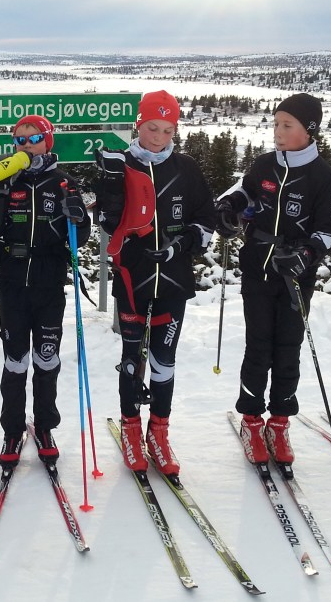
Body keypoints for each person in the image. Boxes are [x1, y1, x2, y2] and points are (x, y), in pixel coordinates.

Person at [215, 93, 331, 468]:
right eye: (276, 124)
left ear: (309, 130)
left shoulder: (323, 176)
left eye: (287, 125)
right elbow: (244, 190)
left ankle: (280, 422)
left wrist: (306, 255)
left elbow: (330, 230)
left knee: (288, 348)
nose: (278, 132)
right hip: (258, 267)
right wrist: (230, 206)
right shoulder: (265, 164)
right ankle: (252, 420)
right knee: (258, 346)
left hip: (295, 276)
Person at [94, 91, 216, 474]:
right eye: (152, 128)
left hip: (174, 281)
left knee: (164, 361)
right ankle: (131, 428)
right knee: (132, 359)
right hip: (134, 277)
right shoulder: (121, 164)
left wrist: (182, 244)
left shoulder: (186, 168)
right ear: (138, 125)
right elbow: (105, 222)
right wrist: (110, 189)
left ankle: (159, 433)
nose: (159, 137)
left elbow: (205, 220)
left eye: (167, 130)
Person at [0, 115, 92, 469]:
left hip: (49, 284)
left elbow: (81, 236)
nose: (27, 145)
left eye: (34, 139)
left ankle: (45, 427)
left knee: (47, 358)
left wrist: (79, 218)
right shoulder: (6, 180)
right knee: (15, 362)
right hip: (13, 284)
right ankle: (12, 430)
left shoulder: (63, 182)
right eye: (20, 140)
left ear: (48, 141)